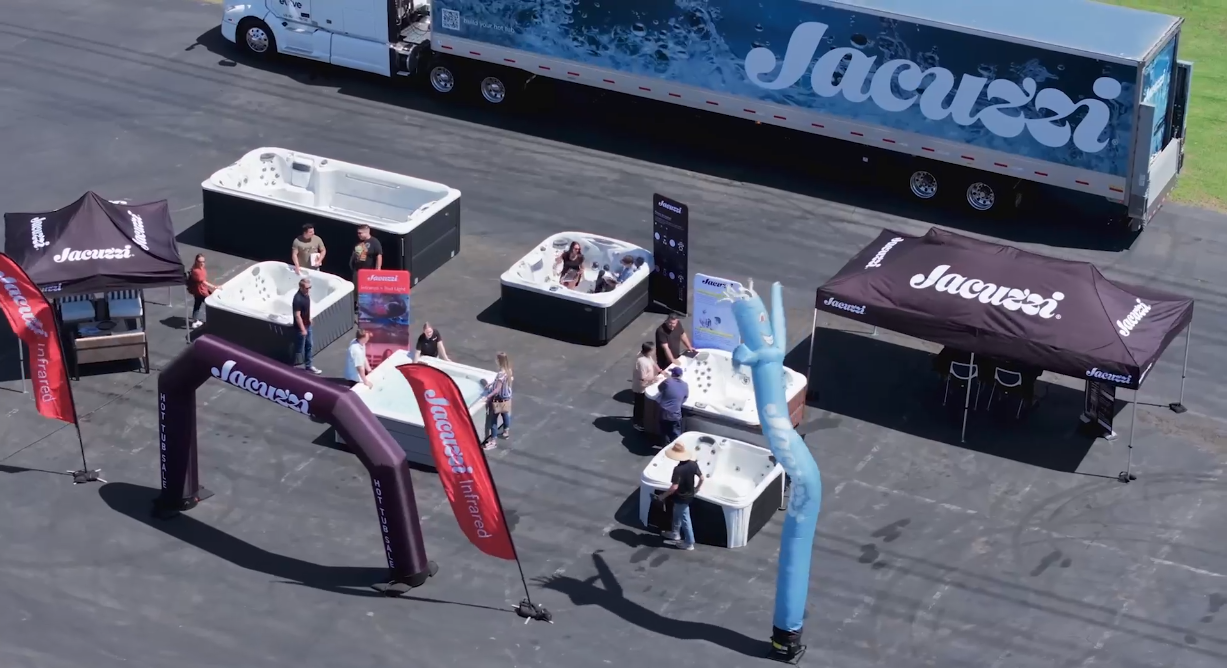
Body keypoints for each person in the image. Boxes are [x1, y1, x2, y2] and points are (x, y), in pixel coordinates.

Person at [658, 442, 702, 551]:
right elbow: (702, 478)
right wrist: (697, 488)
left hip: (681, 497)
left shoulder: (678, 470)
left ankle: (689, 542)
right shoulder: (693, 464)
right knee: (677, 513)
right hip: (689, 495)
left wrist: (663, 496)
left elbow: (674, 487)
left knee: (685, 519)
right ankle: (675, 533)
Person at [480, 352, 514, 449]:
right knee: (505, 414)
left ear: (499, 361)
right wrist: (492, 384)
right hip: (506, 397)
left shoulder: (500, 374)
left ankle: (493, 441)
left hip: (499, 399)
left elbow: (497, 389)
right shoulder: (509, 371)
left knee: (493, 420)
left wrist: (488, 396)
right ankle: (506, 431)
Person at [292, 278, 322, 374]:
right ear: (301, 287)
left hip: (307, 325)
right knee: (299, 348)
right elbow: (297, 315)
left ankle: (309, 366)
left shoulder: (306, 295)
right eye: (306, 288)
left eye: (310, 287)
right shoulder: (297, 299)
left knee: (309, 345)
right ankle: (291, 366)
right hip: (301, 327)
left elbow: (306, 310)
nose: (308, 290)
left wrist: (308, 319)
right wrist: (302, 329)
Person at [632, 341, 663, 432]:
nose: (654, 351)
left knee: (643, 405)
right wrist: (654, 379)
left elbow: (653, 363)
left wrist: (660, 371)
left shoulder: (646, 356)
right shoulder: (641, 362)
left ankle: (641, 419)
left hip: (647, 385)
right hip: (641, 388)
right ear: (649, 351)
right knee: (639, 405)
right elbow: (642, 378)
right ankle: (636, 422)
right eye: (653, 350)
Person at [655, 367, 688, 445]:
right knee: (676, 433)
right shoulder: (685, 385)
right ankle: (677, 448)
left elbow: (659, 388)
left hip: (664, 412)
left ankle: (665, 447)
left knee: (664, 431)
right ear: (681, 375)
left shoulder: (668, 381)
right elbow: (685, 398)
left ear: (673, 374)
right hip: (675, 413)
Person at [186, 254, 218, 330]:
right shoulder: (197, 271)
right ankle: (213, 321)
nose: (202, 263)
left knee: (197, 304)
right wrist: (214, 286)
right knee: (211, 304)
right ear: (196, 261)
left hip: (199, 290)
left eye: (203, 261)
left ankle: (195, 321)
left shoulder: (200, 268)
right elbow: (203, 281)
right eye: (200, 261)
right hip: (201, 292)